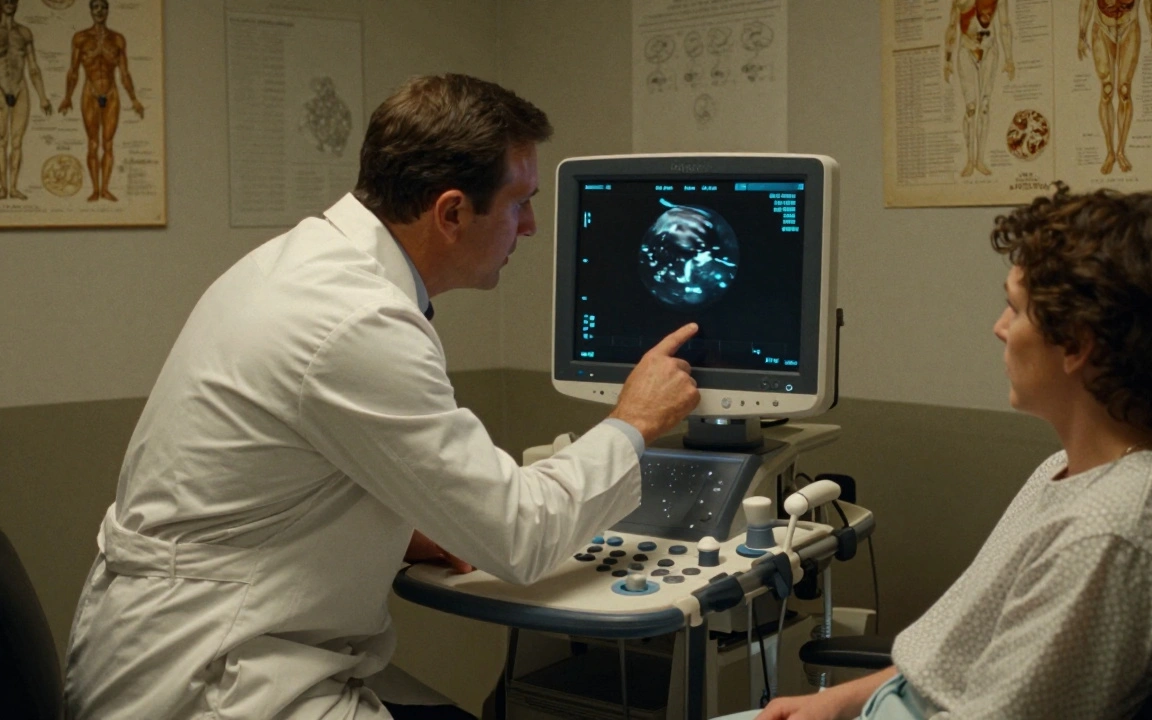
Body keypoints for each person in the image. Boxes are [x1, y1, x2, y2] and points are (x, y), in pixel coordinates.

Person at [63, 74, 701, 720]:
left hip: (208, 636)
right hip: (212, 679)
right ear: (451, 213)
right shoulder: (356, 322)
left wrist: (394, 532)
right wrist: (633, 422)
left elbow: (268, 487)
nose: (531, 227)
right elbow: (520, 535)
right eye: (519, 203)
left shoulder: (300, 264)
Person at [723, 183, 1152, 720]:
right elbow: (957, 658)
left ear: (1079, 346)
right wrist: (834, 702)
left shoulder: (1111, 533)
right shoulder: (1067, 472)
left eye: (1014, 309)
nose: (999, 328)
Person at [57, 0, 144, 202]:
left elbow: (124, 73)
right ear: (90, 10)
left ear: (107, 10)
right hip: (90, 93)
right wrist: (68, 97)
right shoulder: (80, 38)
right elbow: (73, 70)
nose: (99, 11)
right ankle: (95, 190)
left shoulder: (118, 39)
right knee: (93, 144)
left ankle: (105, 188)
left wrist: (134, 99)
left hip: (112, 94)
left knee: (109, 143)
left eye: (103, 7)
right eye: (95, 7)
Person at [1079, 0, 1152, 175]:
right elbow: (1086, 3)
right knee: (1107, 90)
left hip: (1129, 26)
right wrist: (1082, 33)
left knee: (1124, 91)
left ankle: (1121, 150)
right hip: (1102, 27)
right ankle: (1109, 152)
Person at [942, 0, 1015, 177]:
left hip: (989, 50)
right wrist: (948, 60)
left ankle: (979, 159)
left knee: (984, 106)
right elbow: (952, 27)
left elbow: (1004, 24)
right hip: (967, 50)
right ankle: (969, 160)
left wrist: (1009, 58)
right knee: (971, 108)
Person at [0, 0, 54, 200]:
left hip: (20, 87)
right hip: (0, 88)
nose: (9, 4)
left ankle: (13, 188)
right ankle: (2, 188)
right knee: (1, 140)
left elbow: (33, 67)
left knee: (17, 141)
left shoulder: (24, 33)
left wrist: (43, 97)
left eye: (13, 0)